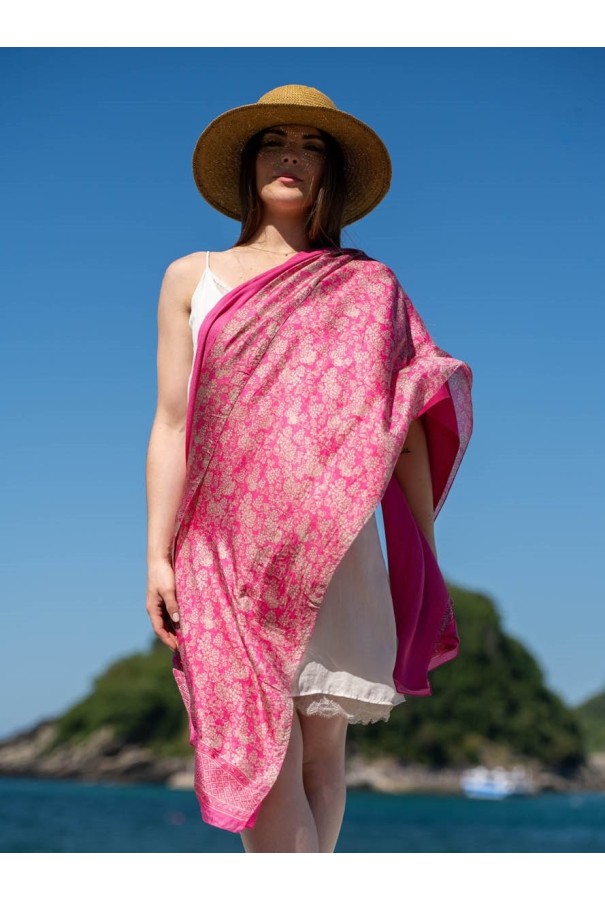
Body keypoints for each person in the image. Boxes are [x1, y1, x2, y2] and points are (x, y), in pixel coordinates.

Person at [145, 84, 473, 853]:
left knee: (322, 753)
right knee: (257, 750)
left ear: (330, 172)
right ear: (249, 164)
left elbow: (404, 429)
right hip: (221, 543)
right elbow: (172, 422)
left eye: (310, 145)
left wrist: (422, 557)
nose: (290, 157)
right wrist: (156, 555)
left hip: (331, 540)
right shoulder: (191, 276)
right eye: (275, 142)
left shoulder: (369, 286)